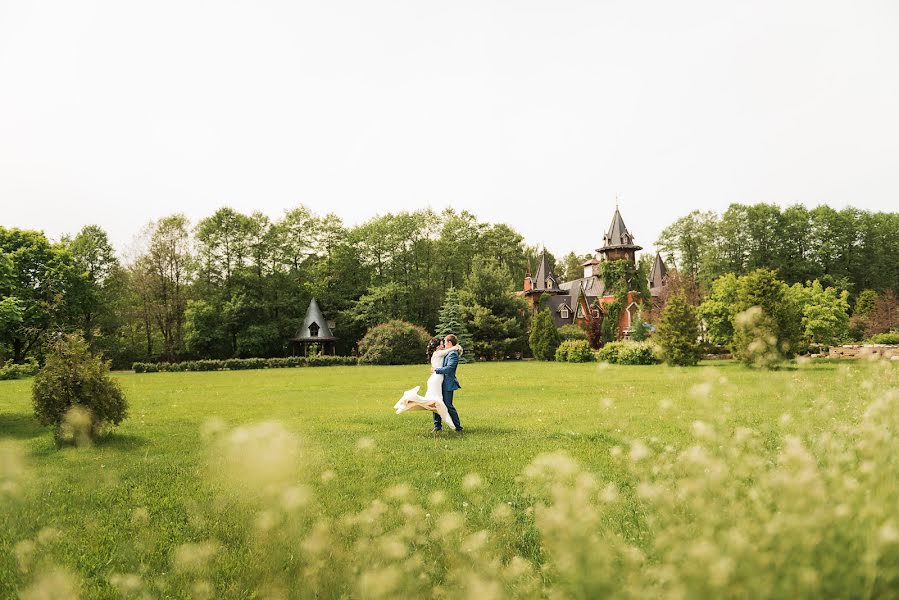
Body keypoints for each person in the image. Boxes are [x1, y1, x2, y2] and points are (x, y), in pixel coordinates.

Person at [394, 336, 462, 430]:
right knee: (435, 401)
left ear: (450, 342)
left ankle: (457, 426)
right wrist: (435, 370)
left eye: (445, 342)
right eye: (442, 343)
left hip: (446, 383)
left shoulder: (452, 354)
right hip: (438, 381)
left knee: (447, 405)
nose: (444, 344)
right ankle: (438, 426)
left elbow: (450, 368)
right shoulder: (443, 352)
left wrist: (436, 370)